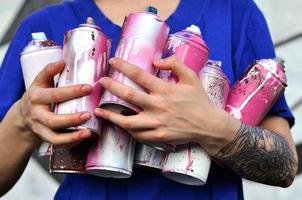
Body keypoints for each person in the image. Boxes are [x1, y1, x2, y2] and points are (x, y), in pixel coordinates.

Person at [0, 0, 298, 199]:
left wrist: (210, 126)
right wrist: (23, 121)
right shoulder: (44, 25)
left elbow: (284, 167)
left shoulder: (235, 12)